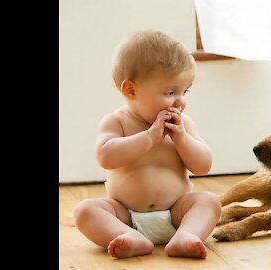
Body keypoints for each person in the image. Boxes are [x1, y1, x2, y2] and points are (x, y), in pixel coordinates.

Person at [73, 30, 221, 259]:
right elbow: (105, 156)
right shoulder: (117, 121)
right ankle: (129, 237)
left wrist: (181, 138)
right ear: (131, 90)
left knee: (209, 201)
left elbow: (203, 165)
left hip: (176, 212)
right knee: (85, 211)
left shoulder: (183, 125)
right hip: (126, 216)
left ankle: (186, 235)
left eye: (185, 91)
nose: (180, 101)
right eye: (171, 92)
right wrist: (149, 138)